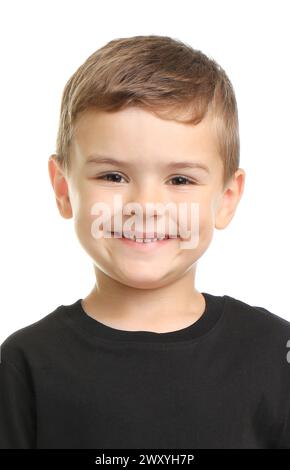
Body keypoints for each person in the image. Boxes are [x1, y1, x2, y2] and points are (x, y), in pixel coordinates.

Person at [0, 35, 289, 449]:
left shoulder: (274, 354)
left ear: (227, 199)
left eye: (180, 180)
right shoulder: (24, 363)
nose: (146, 205)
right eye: (113, 176)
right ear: (63, 189)